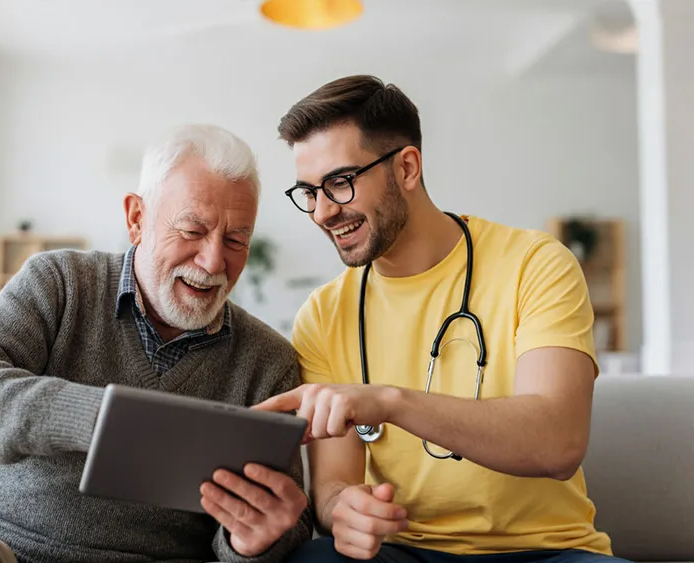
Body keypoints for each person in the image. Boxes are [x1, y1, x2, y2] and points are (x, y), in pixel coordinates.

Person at [0, 124, 313, 563]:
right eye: (192, 231)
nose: (212, 262)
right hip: (1, 548)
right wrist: (99, 419)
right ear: (137, 219)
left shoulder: (268, 361)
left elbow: (292, 522)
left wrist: (250, 542)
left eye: (235, 240)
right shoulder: (59, 283)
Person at [254, 75, 631, 563]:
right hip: (405, 553)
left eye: (340, 183)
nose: (322, 212)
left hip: (546, 553)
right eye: (309, 192)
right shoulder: (324, 314)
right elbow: (333, 486)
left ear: (407, 168)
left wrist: (388, 402)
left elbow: (558, 443)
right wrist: (345, 511)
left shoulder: (535, 264)